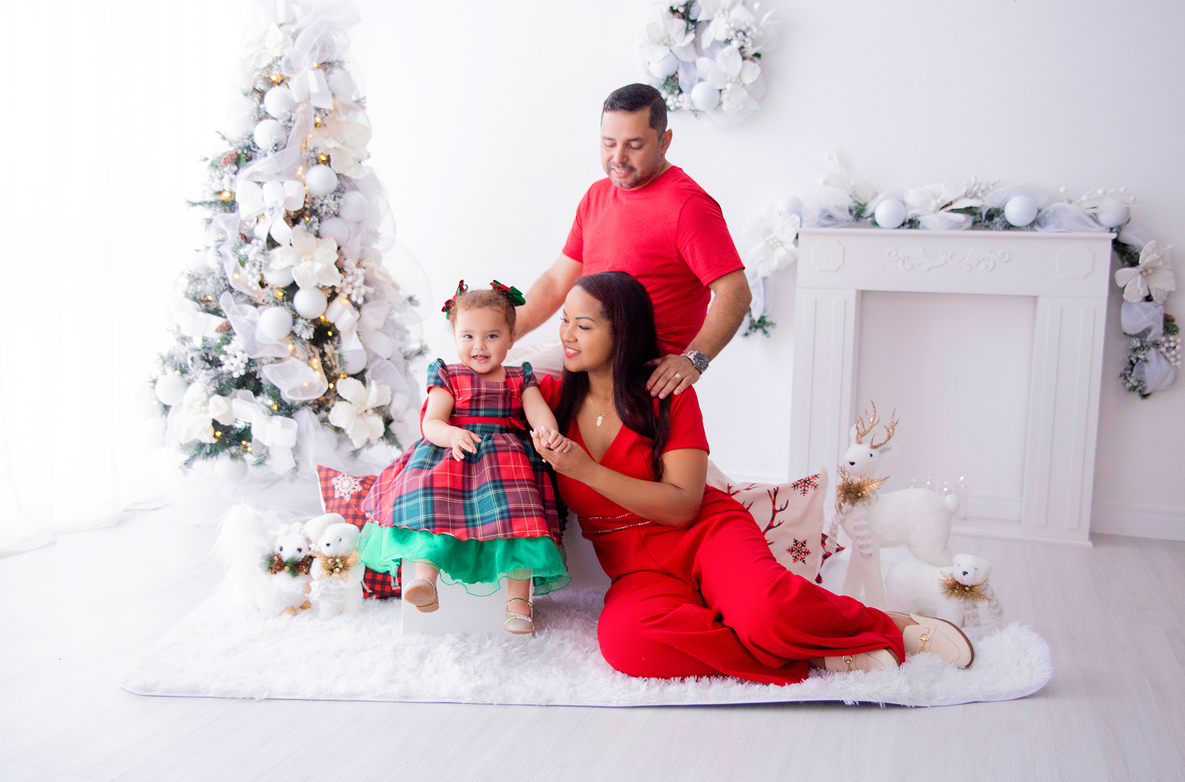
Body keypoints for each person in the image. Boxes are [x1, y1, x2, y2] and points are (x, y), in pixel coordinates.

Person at [532, 272, 974, 683]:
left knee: (767, 612)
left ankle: (890, 625)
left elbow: (684, 505)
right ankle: (811, 656)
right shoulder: (551, 403)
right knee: (628, 643)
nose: (566, 335)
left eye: (583, 326)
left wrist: (587, 472)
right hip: (637, 568)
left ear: (622, 333)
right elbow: (494, 376)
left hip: (703, 535)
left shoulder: (666, 394)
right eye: (564, 320)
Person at [358, 281, 571, 635]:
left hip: (506, 462)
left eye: (492, 336)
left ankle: (518, 602)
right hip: (452, 455)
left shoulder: (521, 377)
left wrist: (547, 432)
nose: (479, 346)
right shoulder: (448, 374)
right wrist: (452, 434)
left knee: (521, 519)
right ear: (455, 336)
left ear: (510, 337)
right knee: (429, 503)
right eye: (468, 336)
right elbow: (432, 423)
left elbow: (538, 413)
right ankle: (425, 579)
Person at [514, 83, 751, 398]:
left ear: (664, 141)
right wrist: (505, 333)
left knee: (498, 384)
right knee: (481, 369)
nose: (618, 158)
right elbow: (558, 281)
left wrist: (693, 359)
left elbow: (735, 292)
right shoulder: (596, 195)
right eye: (609, 143)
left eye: (634, 145)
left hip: (633, 367)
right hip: (586, 348)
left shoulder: (688, 206)